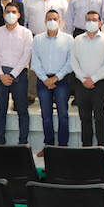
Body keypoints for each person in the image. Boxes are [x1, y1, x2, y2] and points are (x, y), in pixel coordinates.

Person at [0, 2, 33, 145]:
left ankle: (23, 142)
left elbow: (26, 56)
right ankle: (0, 141)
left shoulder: (26, 33)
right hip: (0, 75)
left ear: (19, 15)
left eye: (14, 12)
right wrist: (0, 74)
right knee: (0, 110)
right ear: (3, 14)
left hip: (19, 74)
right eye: (7, 12)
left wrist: (13, 74)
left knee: (22, 109)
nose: (10, 14)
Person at [31, 9, 73, 156]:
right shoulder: (37, 39)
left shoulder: (68, 39)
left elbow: (70, 62)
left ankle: (63, 146)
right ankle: (48, 145)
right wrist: (45, 79)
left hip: (61, 80)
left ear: (60, 21)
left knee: (63, 114)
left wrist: (55, 78)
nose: (52, 21)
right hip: (43, 81)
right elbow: (35, 62)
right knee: (46, 114)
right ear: (45, 22)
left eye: (55, 19)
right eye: (49, 19)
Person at [71, 11, 104, 147]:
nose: (91, 22)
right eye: (88, 19)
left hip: (100, 84)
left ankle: (101, 147)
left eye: (94, 20)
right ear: (85, 22)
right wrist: (83, 79)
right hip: (81, 83)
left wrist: (93, 79)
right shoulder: (77, 40)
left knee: (99, 116)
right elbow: (73, 62)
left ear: (100, 23)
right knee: (84, 117)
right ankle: (86, 147)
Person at [23, 0, 68, 104]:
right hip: (35, 38)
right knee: (34, 67)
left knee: (55, 65)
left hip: (56, 38)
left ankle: (54, 92)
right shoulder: (28, 0)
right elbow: (24, 21)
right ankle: (31, 94)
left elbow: (67, 18)